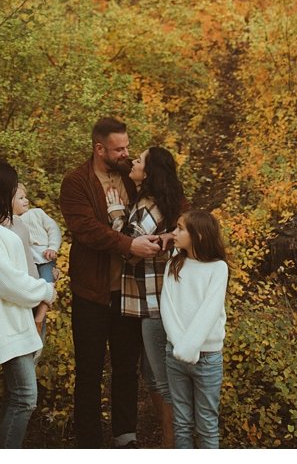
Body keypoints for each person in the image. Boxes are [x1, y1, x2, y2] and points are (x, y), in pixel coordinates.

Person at [59, 116, 157, 447]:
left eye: (128, 146)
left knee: (126, 368)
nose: (126, 152)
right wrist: (129, 244)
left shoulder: (131, 176)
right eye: (119, 148)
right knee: (89, 371)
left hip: (129, 290)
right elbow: (86, 229)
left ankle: (125, 437)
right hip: (91, 292)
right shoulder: (75, 183)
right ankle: (88, 442)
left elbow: (162, 196)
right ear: (99, 149)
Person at [0, 159, 57, 448]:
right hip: (7, 324)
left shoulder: (1, 225)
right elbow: (6, 280)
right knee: (25, 398)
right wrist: (44, 290)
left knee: (16, 396)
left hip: (24, 319)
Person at [123, 147, 185, 446]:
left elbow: (131, 251)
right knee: (154, 373)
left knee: (162, 378)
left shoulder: (147, 206)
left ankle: (174, 442)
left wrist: (113, 215)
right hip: (157, 300)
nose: (133, 161)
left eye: (139, 160)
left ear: (147, 172)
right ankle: (172, 438)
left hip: (154, 302)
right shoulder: (156, 202)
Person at [162, 210, 229, 449]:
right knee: (181, 424)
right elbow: (167, 307)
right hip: (175, 355)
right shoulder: (174, 264)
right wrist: (181, 349)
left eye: (180, 228)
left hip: (207, 358)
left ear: (198, 235)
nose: (174, 233)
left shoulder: (218, 268)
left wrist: (188, 348)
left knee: (207, 425)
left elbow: (209, 312)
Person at [9, 182, 58, 337]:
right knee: (33, 293)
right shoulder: (10, 221)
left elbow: (54, 229)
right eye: (21, 198)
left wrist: (53, 248)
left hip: (44, 258)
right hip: (28, 264)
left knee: (48, 285)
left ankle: (39, 319)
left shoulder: (37, 213)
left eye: (26, 197)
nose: (26, 200)